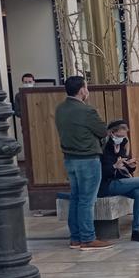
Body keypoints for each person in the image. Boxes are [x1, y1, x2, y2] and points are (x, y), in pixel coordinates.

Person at [55, 76, 113, 251]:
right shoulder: (86, 111)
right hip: (88, 159)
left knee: (75, 198)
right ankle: (88, 238)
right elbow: (103, 131)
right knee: (87, 201)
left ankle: (75, 238)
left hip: (69, 159)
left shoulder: (60, 109)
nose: (87, 91)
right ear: (82, 90)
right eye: (86, 87)